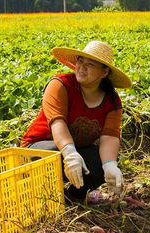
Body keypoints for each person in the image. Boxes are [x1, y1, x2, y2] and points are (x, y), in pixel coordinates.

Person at [21, 41, 132, 200]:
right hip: (39, 148)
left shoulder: (112, 101)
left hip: (75, 150)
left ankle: (71, 197)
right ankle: (38, 192)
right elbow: (57, 122)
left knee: (99, 161)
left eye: (90, 64)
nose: (81, 67)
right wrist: (70, 153)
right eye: (80, 61)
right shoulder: (60, 85)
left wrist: (109, 165)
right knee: (55, 154)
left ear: (104, 72)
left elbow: (110, 136)